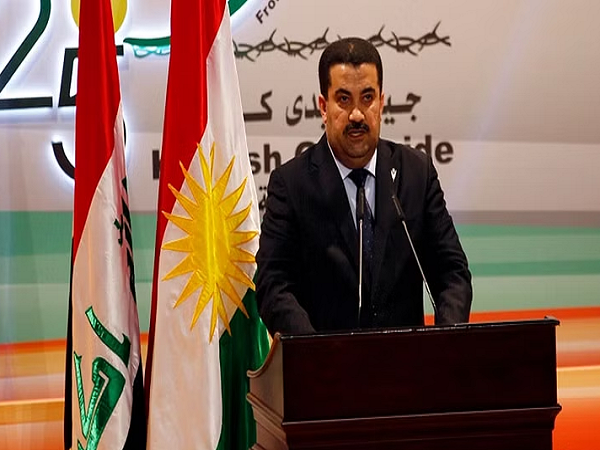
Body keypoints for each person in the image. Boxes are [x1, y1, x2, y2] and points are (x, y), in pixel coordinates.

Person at [256, 37, 472, 335]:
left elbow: (452, 273)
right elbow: (273, 284)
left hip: (407, 361)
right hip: (326, 361)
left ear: (381, 102)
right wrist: (314, 353)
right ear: (323, 107)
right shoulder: (291, 184)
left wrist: (446, 342)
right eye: (344, 99)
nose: (357, 114)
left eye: (367, 98)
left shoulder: (415, 173)